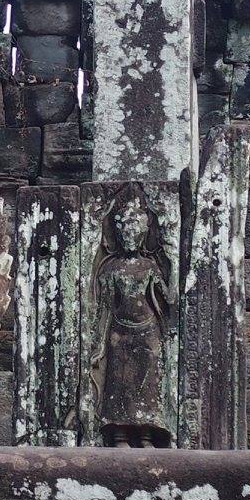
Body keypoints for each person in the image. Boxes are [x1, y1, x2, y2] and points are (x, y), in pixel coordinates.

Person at [89, 192, 174, 448]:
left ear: (143, 234)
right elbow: (105, 307)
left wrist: (175, 260)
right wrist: (99, 344)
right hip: (119, 332)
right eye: (125, 231)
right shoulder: (110, 268)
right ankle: (120, 435)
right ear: (117, 234)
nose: (130, 236)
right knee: (119, 384)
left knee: (148, 385)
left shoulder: (149, 267)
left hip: (148, 331)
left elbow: (167, 299)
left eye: (135, 231)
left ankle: (147, 435)